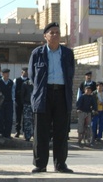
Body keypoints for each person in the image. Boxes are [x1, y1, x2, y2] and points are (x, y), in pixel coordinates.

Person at [28, 22, 75, 173]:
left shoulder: (67, 53)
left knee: (61, 131)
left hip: (61, 93)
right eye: (52, 32)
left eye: (57, 32)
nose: (55, 35)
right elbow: (32, 76)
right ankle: (40, 164)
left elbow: (70, 74)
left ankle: (60, 164)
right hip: (44, 94)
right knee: (41, 131)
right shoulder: (38, 53)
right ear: (45, 36)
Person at [0, 67, 14, 140]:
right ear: (2, 74)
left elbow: (13, 92)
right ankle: (0, 132)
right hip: (0, 103)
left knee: (9, 118)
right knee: (0, 117)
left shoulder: (11, 82)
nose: (7, 75)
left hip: (9, 102)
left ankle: (7, 134)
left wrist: (13, 101)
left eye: (8, 73)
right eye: (6, 73)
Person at [14, 66, 29, 137]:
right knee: (18, 117)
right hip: (18, 101)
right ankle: (17, 131)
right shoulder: (17, 80)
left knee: (26, 118)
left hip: (27, 102)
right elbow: (14, 90)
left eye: (26, 71)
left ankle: (25, 132)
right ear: (21, 72)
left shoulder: (30, 80)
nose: (26, 73)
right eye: (24, 71)